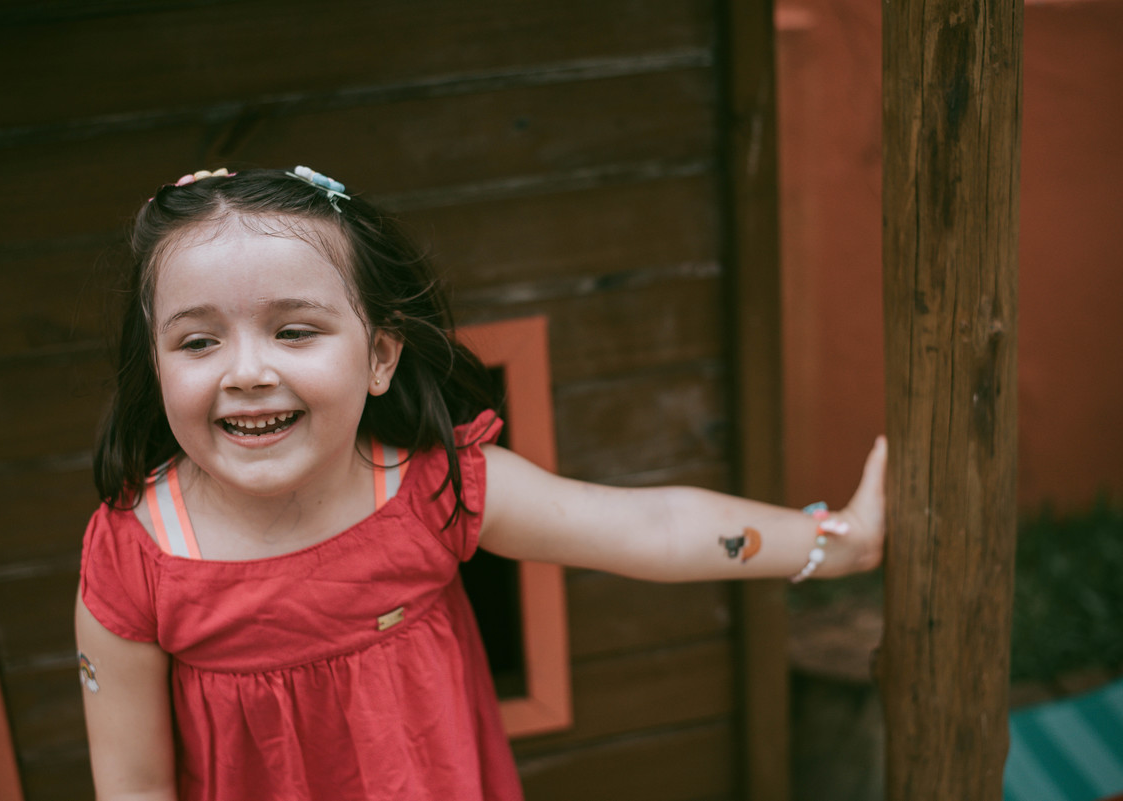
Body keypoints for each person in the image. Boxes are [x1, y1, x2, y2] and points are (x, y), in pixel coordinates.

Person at [76, 165, 887, 801]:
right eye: (198, 342)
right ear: (156, 364)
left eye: (293, 330)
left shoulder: (436, 491)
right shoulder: (134, 555)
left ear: (380, 356)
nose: (247, 371)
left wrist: (833, 540)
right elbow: (134, 783)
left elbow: (654, 528)